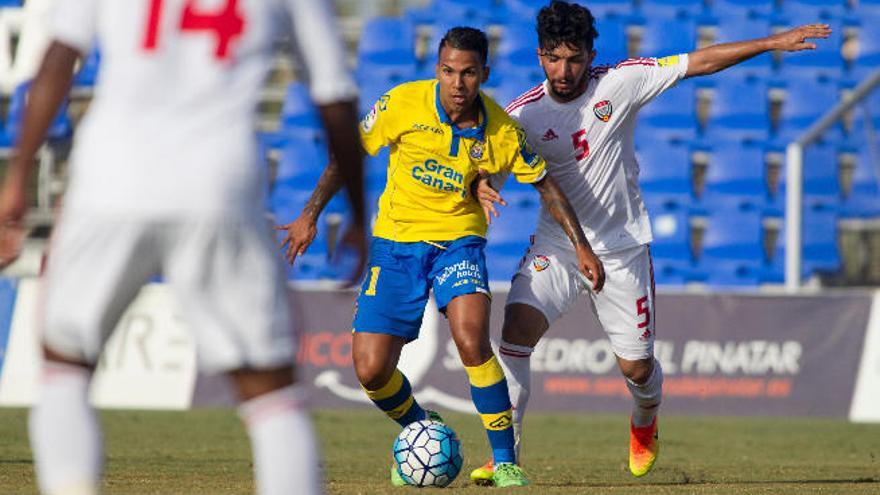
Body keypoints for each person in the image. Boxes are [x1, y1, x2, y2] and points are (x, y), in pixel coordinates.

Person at [0, 0, 367, 494]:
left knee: (64, 365)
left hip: (111, 181)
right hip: (217, 186)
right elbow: (335, 98)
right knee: (272, 396)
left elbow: (59, 57)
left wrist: (18, 175)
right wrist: (359, 216)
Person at [469, 0, 831, 484]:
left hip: (621, 249)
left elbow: (698, 62)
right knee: (514, 332)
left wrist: (769, 43)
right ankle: (505, 453)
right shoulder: (523, 115)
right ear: (539, 56)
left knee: (636, 369)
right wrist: (481, 182)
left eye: (574, 58)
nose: (563, 70)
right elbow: (487, 166)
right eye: (553, 58)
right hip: (557, 247)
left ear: (590, 54)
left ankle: (644, 423)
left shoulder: (620, 82)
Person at [278, 26, 604, 488]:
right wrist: (310, 215)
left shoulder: (502, 131)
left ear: (483, 74)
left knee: (472, 340)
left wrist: (581, 246)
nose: (457, 83)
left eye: (468, 73)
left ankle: (505, 460)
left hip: (458, 244)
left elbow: (547, 186)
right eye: (449, 71)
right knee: (371, 371)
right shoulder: (402, 104)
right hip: (395, 246)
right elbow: (348, 154)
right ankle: (419, 426)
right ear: (438, 70)